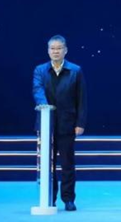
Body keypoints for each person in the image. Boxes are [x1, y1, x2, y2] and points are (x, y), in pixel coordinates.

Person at [32, 35, 87, 212]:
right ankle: (49, 197)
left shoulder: (75, 70)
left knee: (67, 164)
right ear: (48, 51)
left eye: (59, 48)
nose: (55, 51)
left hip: (67, 124)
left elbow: (81, 99)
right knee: (48, 164)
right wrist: (44, 105)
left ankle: (68, 199)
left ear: (65, 50)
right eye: (52, 48)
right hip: (46, 123)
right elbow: (37, 90)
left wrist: (80, 123)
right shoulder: (40, 70)